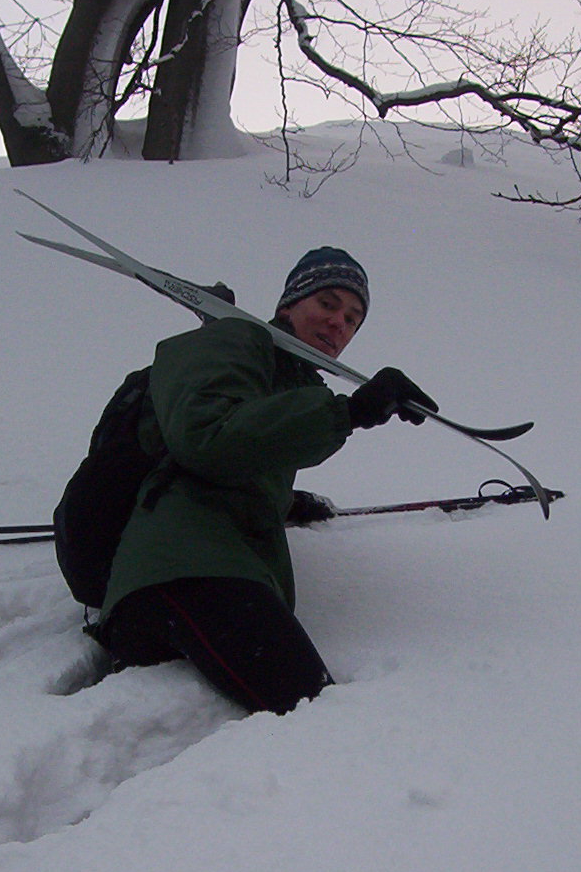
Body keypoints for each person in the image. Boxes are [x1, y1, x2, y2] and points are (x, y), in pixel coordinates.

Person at [95, 247, 437, 714]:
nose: (340, 323)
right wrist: (349, 412)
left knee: (291, 720)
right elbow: (206, 438)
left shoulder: (290, 383)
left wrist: (289, 502)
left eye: (354, 319)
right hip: (183, 569)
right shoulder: (235, 339)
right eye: (329, 304)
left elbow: (240, 458)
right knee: (315, 716)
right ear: (288, 306)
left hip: (193, 575)